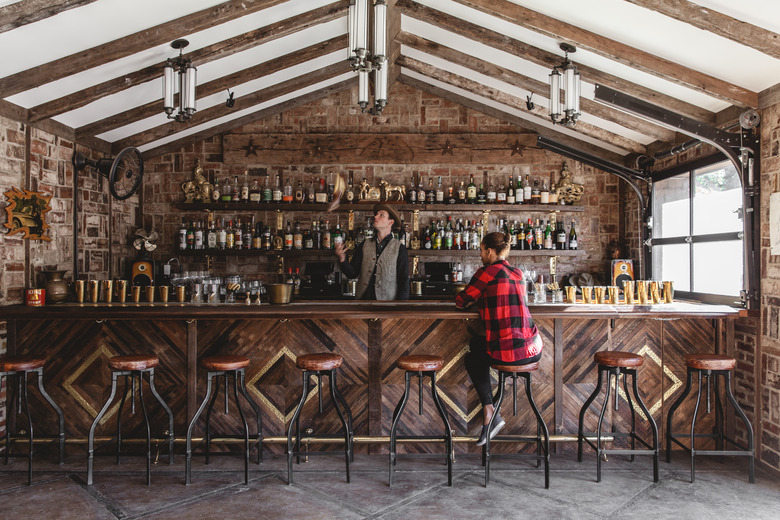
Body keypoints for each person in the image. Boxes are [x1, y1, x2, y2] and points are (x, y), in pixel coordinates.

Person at [455, 231, 543, 445]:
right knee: (478, 345)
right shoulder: (517, 273)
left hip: (508, 352)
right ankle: (493, 413)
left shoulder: (487, 272)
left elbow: (461, 300)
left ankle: (489, 410)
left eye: (482, 251)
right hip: (533, 348)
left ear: (489, 251)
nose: (481, 256)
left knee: (473, 354)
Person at [335, 203, 409, 300]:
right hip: (362, 303)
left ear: (390, 222)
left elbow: (404, 282)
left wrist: (399, 310)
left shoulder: (400, 249)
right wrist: (342, 259)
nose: (376, 217)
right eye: (376, 214)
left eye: (381, 215)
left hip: (387, 306)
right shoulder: (364, 245)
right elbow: (352, 274)